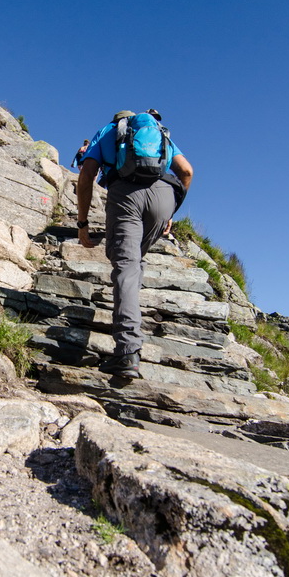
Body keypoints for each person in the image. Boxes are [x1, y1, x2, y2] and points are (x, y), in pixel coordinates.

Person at [76, 109, 193, 378]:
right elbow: (186, 171)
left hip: (126, 193)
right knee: (134, 262)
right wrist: (171, 213)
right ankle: (130, 306)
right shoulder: (158, 134)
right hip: (164, 196)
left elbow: (87, 175)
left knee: (126, 267)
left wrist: (82, 224)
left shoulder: (107, 131)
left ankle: (128, 352)